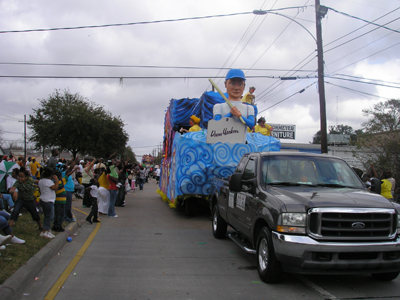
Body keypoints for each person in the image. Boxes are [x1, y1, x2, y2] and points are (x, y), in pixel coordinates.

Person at [38, 168, 59, 238]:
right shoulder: (48, 182)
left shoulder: (41, 181)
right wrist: (57, 180)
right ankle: (44, 231)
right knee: (50, 217)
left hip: (43, 199)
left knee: (47, 216)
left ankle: (47, 230)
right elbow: (55, 188)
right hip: (48, 201)